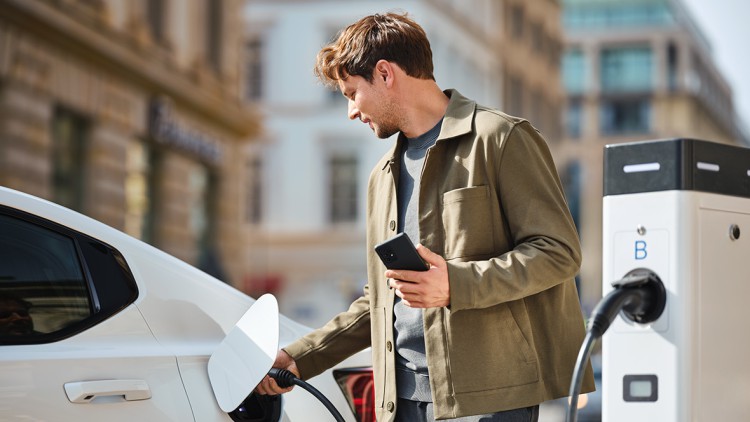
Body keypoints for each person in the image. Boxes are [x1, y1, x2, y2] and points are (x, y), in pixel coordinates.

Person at [256, 12, 594, 421]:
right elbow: (382, 298)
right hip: (400, 403)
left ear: (384, 73)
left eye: (351, 93)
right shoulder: (382, 176)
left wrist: (456, 284)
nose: (351, 111)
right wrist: (300, 356)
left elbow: (558, 252)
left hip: (488, 401)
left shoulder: (501, 138)